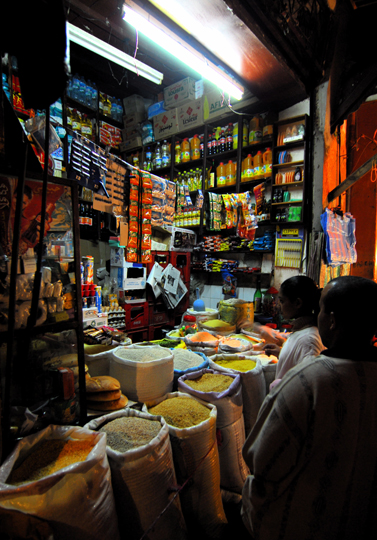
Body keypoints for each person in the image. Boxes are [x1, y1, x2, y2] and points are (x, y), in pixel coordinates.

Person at [241, 275, 377, 540]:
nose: (318, 314)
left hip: (300, 522)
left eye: (323, 308)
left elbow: (260, 458)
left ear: (333, 320)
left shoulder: (308, 381)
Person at [263, 275, 325, 389]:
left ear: (297, 303)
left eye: (282, 301)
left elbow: (306, 387)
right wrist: (282, 354)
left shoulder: (309, 341)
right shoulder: (301, 331)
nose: (278, 306)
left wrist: (277, 385)